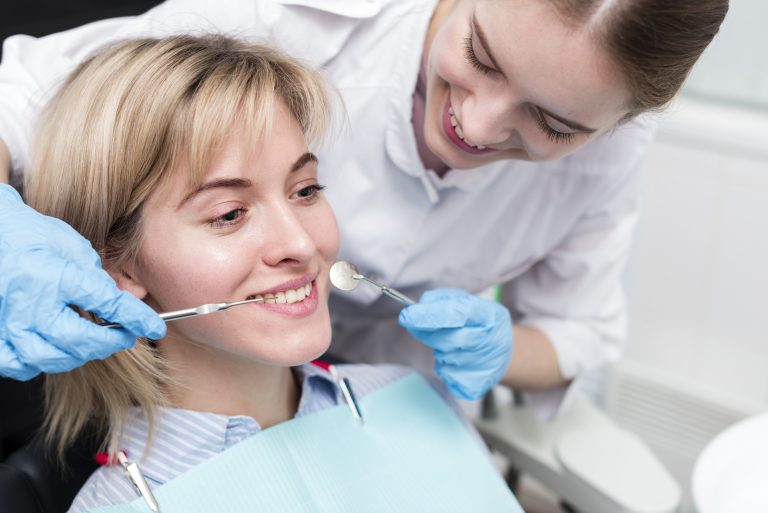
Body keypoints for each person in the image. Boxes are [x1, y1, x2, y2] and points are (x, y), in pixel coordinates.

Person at [0, 0, 729, 418]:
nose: (474, 131)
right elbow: (17, 101)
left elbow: (578, 331)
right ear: (120, 263)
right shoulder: (280, 17)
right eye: (480, 55)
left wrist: (507, 350)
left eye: (555, 124)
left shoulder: (614, 153)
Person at [25, 33, 481, 512]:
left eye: (305, 190)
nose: (301, 245)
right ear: (117, 267)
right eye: (228, 214)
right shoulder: (119, 505)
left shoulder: (412, 399)